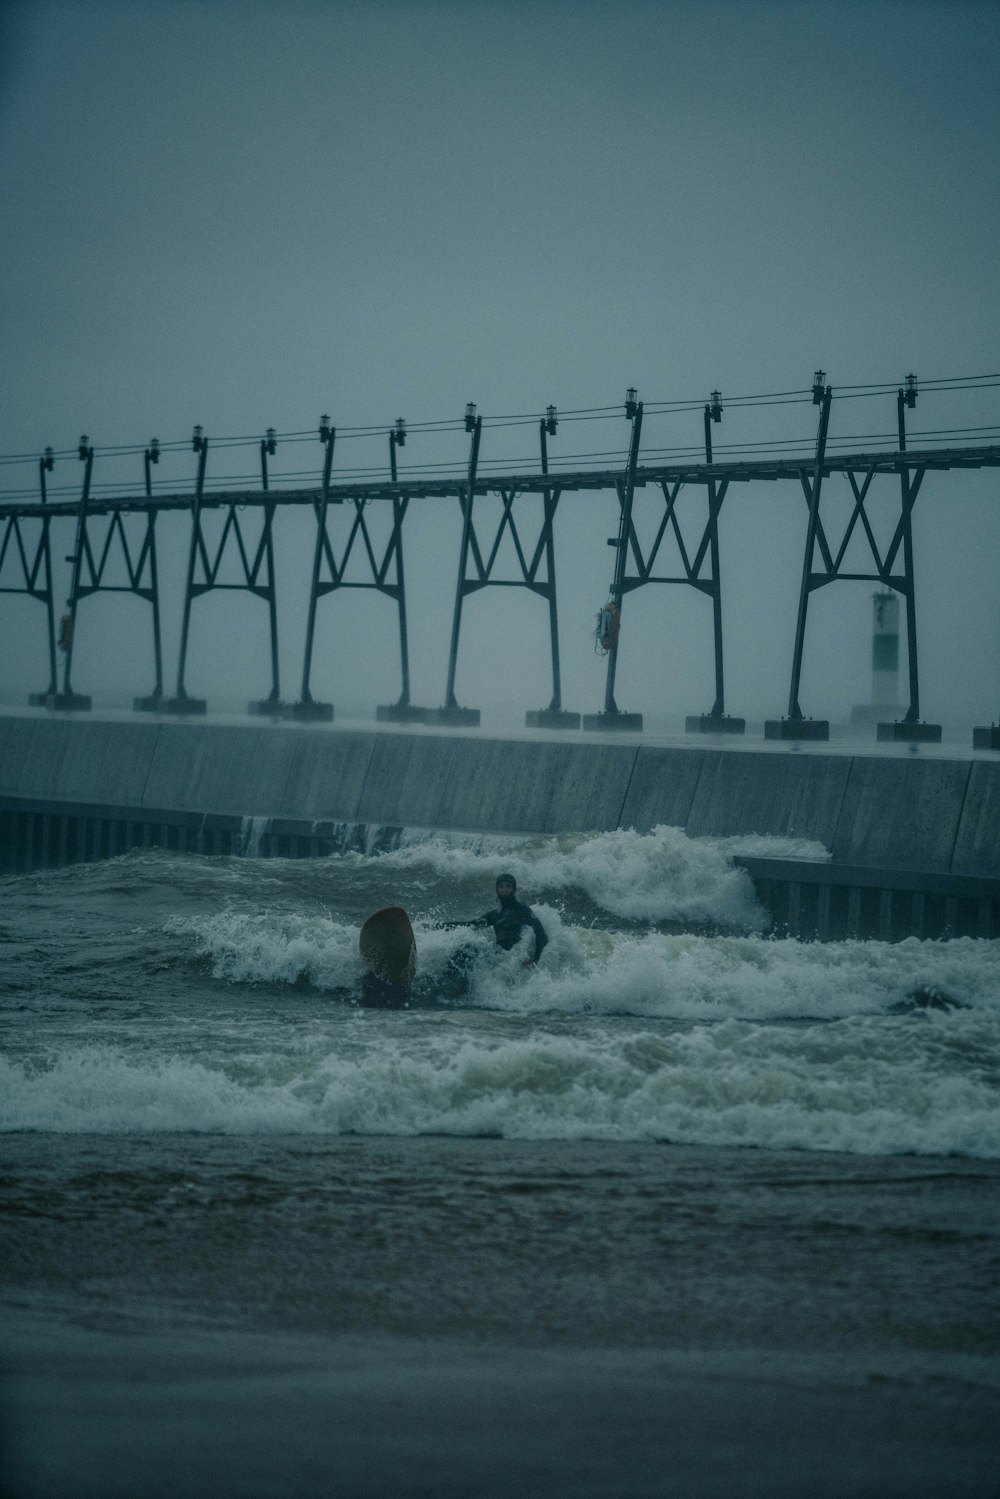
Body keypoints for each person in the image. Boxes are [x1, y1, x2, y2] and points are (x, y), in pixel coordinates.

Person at [449, 873, 548, 969]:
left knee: (468, 950)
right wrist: (443, 926)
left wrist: (535, 959)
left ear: (514, 889)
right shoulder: (494, 915)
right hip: (498, 955)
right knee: (464, 950)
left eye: (508, 886)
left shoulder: (522, 909)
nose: (504, 889)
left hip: (511, 956)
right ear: (497, 889)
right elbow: (471, 925)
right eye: (501, 886)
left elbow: (541, 934)